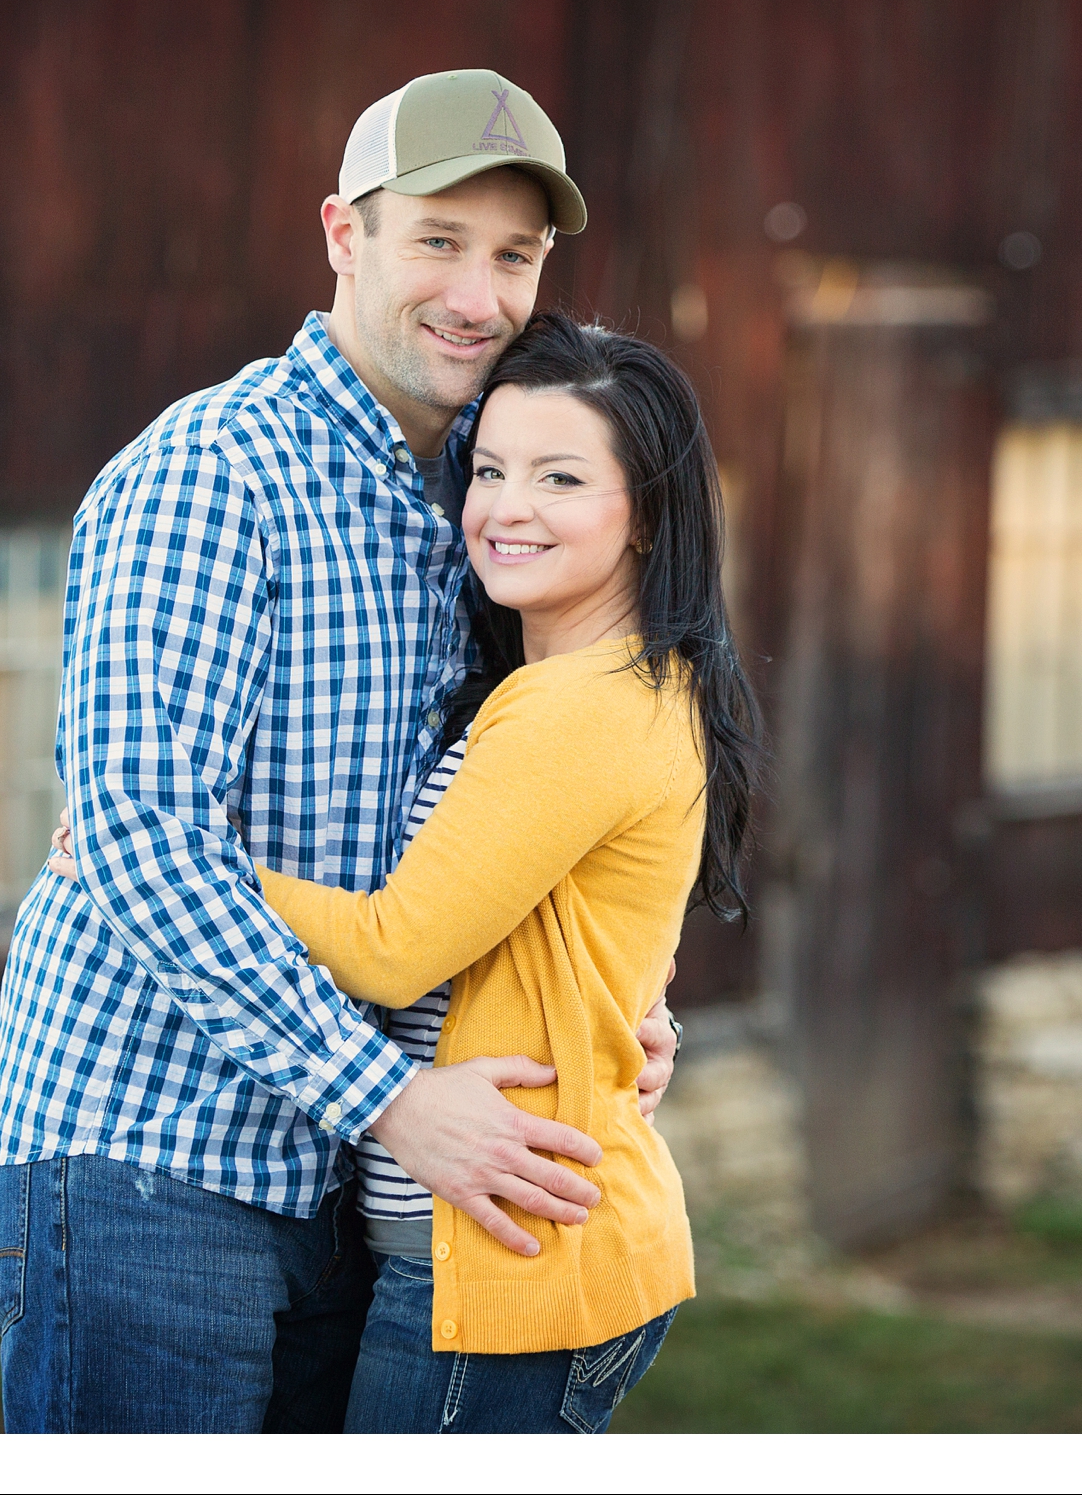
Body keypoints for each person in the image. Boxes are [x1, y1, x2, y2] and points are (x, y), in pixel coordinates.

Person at [0, 69, 675, 1434]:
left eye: (514, 256)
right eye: (438, 241)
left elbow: (541, 805)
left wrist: (613, 1002)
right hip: (147, 1159)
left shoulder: (501, 490)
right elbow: (138, 842)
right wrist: (396, 1102)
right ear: (344, 237)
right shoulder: (213, 474)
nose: (479, 295)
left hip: (349, 1191)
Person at [253, 309, 760, 1435]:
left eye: (561, 476)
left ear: (645, 515)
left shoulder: (573, 707)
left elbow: (398, 946)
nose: (503, 505)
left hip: (516, 1253)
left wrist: (197, 862)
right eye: (488, 467)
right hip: (513, 1235)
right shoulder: (626, 683)